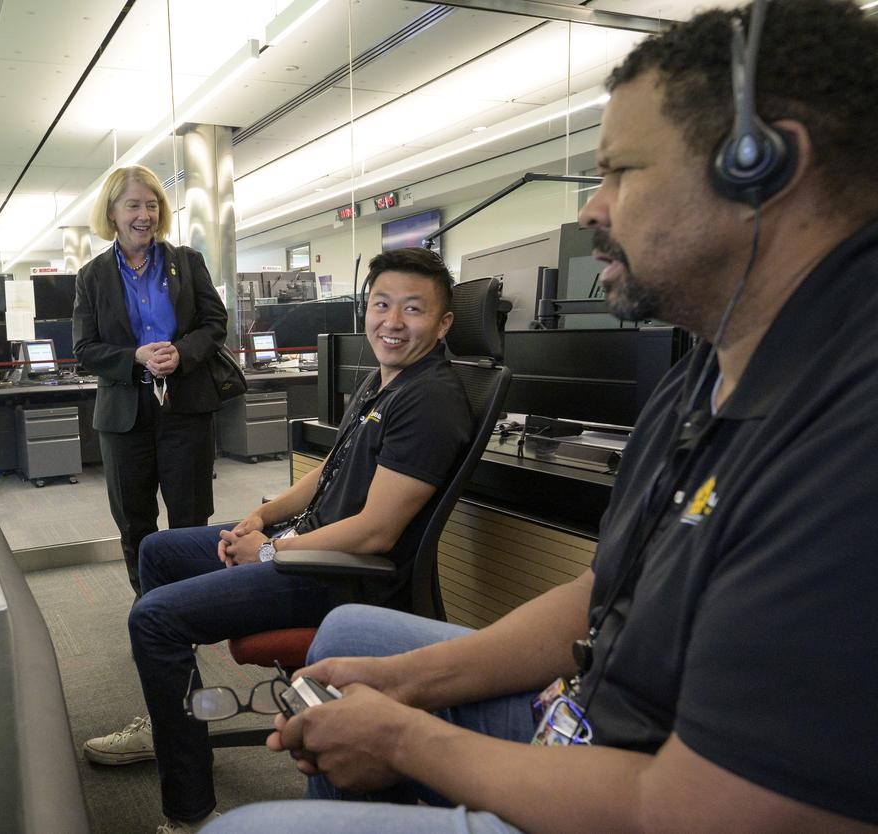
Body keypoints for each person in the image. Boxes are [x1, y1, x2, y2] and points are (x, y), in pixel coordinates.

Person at [203, 1, 878, 832]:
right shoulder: (708, 366)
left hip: (662, 796)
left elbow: (702, 815)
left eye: (621, 171)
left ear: (760, 167)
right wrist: (408, 686)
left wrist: (410, 740)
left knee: (247, 829)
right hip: (594, 720)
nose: (593, 209)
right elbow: (600, 595)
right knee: (359, 646)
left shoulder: (847, 438)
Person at [83, 247, 475, 834]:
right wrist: (261, 518)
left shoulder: (430, 400)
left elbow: (376, 531)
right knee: (157, 550)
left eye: (413, 310)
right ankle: (172, 718)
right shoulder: (383, 380)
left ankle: (188, 812)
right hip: (304, 546)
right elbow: (331, 471)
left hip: (338, 576)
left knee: (154, 620)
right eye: (381, 305)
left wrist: (269, 552)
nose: (392, 322)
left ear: (443, 323)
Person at [73, 165, 228, 596]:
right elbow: (85, 350)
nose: (145, 214)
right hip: (125, 414)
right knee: (135, 521)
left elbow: (216, 323)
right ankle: (151, 605)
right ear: (112, 212)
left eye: (153, 204)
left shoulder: (187, 262)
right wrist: (135, 357)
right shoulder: (92, 276)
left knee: (190, 518)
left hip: (186, 407)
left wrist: (182, 352)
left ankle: (191, 604)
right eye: (133, 205)